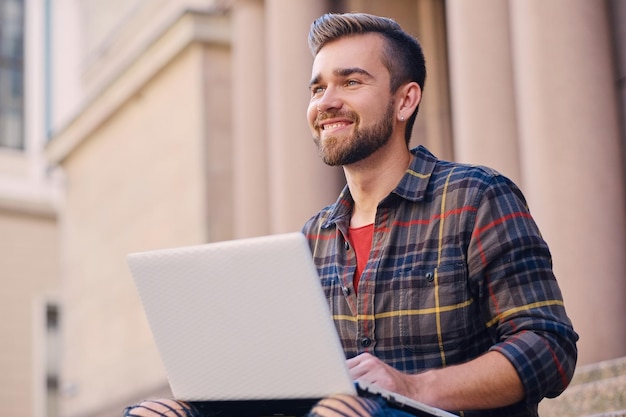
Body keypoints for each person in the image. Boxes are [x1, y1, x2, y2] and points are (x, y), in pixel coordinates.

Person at [123, 12, 578, 417]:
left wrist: (413, 387)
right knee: (159, 413)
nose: (327, 101)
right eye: (319, 87)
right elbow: (287, 379)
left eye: (351, 82)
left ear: (405, 101)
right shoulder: (312, 238)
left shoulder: (475, 196)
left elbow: (549, 346)